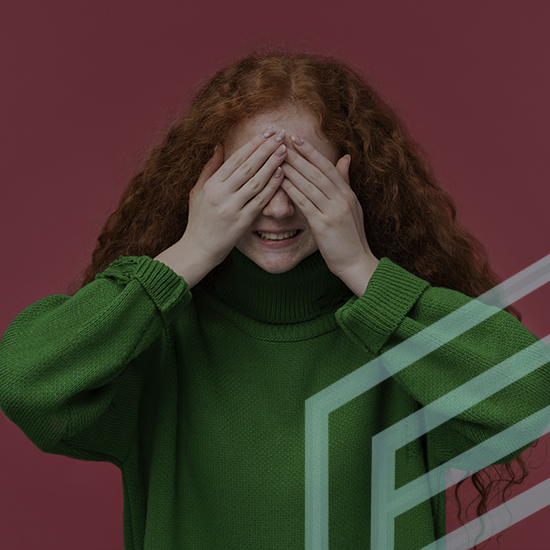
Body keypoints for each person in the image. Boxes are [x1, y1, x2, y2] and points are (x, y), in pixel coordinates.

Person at [0, 48, 549, 550]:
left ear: (354, 186)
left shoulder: (405, 338)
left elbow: (531, 398)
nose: (280, 210)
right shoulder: (157, 335)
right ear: (205, 182)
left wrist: (363, 270)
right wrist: (189, 253)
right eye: (252, 179)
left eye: (306, 180)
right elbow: (24, 382)